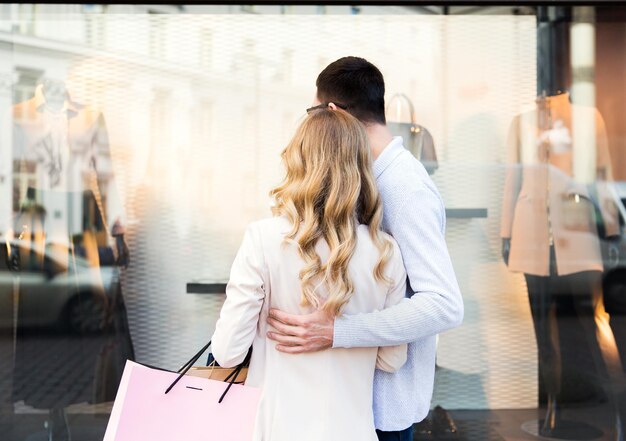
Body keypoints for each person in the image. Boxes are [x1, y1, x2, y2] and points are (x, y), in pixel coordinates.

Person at [266, 56, 464, 440]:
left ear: (332, 112)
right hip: (347, 401)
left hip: (381, 410)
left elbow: (443, 303)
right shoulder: (366, 175)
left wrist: (337, 332)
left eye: (313, 112)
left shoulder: (405, 188)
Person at [211, 108, 408, 441]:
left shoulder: (263, 238)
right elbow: (392, 360)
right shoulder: (385, 250)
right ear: (360, 166)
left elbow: (228, 351)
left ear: (297, 160)